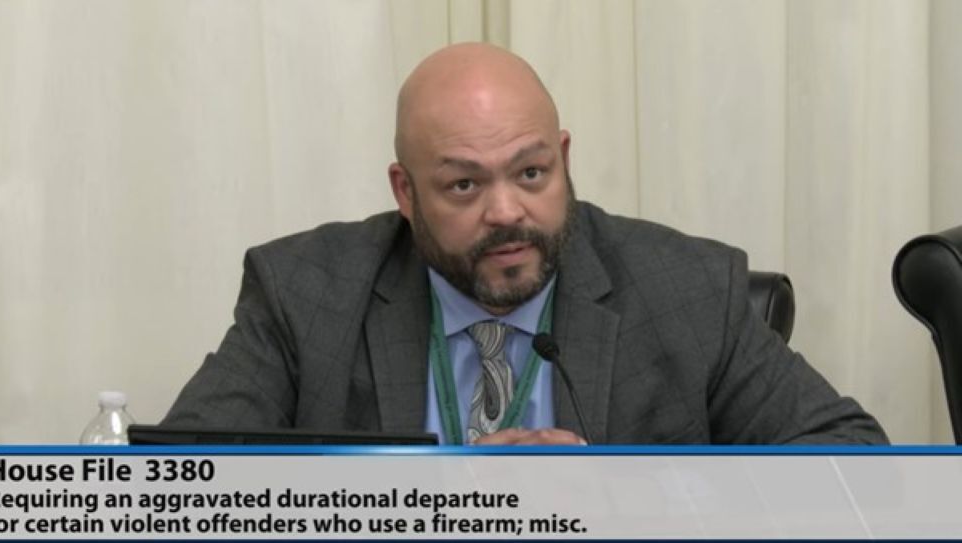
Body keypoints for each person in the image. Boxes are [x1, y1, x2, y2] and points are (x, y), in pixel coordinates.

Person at [162, 43, 888, 445]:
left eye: (532, 173)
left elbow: (853, 456)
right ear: (405, 193)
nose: (507, 212)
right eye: (463, 185)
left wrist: (619, 498)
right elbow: (181, 483)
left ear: (564, 159)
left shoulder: (689, 291)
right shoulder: (304, 294)